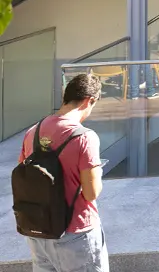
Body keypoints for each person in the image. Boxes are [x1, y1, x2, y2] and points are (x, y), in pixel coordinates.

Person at [17, 74, 107, 272]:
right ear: (88, 101)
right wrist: (97, 171)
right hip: (76, 233)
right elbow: (91, 193)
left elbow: (24, 172)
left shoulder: (33, 131)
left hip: (39, 232)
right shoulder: (85, 137)